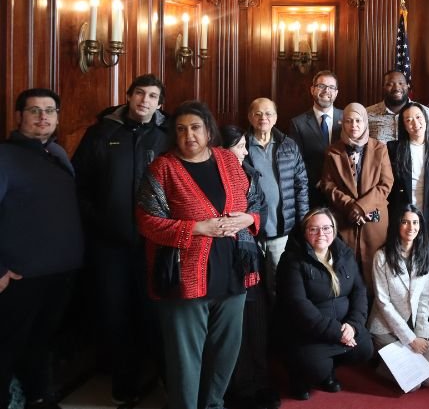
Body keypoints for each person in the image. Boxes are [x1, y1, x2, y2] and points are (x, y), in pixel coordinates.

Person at [136, 100, 261, 409]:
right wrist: (197, 228)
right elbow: (147, 223)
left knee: (225, 352)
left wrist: (251, 220)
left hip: (233, 271)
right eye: (180, 129)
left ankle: (213, 404)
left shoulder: (228, 160)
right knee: (185, 360)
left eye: (195, 128)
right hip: (184, 277)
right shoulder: (162, 169)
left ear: (208, 131)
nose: (188, 135)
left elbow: (253, 201)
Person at [72, 74, 169, 404]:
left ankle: (159, 377)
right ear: (128, 96)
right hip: (109, 245)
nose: (145, 100)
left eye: (152, 96)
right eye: (139, 93)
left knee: (153, 313)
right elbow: (79, 185)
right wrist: (99, 222)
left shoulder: (167, 135)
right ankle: (123, 381)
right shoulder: (101, 133)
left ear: (159, 104)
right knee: (115, 314)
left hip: (155, 243)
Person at [0, 89, 84, 409]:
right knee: (7, 347)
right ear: (19, 116)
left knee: (41, 344)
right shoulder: (5, 156)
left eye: (50, 110)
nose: (43, 117)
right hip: (20, 276)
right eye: (34, 111)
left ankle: (39, 399)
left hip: (60, 272)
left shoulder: (58, 154)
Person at [275, 207, 374, 399]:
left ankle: (328, 370)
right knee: (315, 369)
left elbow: (359, 290)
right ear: (305, 232)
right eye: (314, 229)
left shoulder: (344, 253)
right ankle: (299, 374)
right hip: (308, 332)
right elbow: (298, 306)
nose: (322, 234)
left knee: (365, 349)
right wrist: (337, 331)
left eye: (327, 228)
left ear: (334, 230)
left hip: (344, 327)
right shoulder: (291, 260)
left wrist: (353, 326)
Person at [219, 126, 279, 409]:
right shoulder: (213, 175)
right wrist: (236, 220)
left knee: (256, 321)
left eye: (245, 145)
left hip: (249, 256)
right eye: (239, 146)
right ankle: (237, 387)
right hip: (221, 259)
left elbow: (260, 210)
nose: (245, 151)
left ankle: (260, 381)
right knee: (232, 328)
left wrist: (246, 219)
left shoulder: (249, 173)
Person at [319, 102, 393, 289]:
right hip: (344, 219)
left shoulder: (379, 148)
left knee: (375, 275)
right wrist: (350, 206)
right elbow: (328, 185)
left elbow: (386, 184)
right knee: (346, 273)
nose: (354, 126)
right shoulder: (332, 151)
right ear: (342, 124)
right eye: (349, 121)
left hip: (374, 220)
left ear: (366, 122)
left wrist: (361, 207)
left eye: (358, 121)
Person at [242, 97, 309, 295]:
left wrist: (303, 222)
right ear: (250, 117)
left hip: (281, 230)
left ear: (276, 118)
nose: (264, 118)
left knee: (278, 286)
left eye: (268, 113)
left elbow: (301, 185)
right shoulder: (240, 147)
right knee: (250, 286)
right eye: (258, 113)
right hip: (249, 231)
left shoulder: (288, 145)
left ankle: (276, 324)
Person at [387, 102, 429, 303]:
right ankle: (408, 306)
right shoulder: (394, 148)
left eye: (418, 118)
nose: (415, 123)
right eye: (408, 120)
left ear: (425, 119)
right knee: (405, 262)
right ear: (403, 126)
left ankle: (428, 306)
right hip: (404, 214)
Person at [369, 205, 429, 391]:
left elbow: (424, 298)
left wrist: (421, 333)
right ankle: (380, 364)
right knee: (414, 384)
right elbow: (383, 304)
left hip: (413, 324)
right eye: (405, 222)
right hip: (385, 326)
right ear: (397, 226)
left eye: (415, 222)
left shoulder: (424, 254)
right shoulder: (381, 257)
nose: (411, 227)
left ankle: (395, 358)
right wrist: (410, 339)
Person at [288, 70, 344, 208]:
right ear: (312, 89)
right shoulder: (297, 123)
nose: (326, 91)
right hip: (312, 192)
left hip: (344, 191)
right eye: (321, 86)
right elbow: (297, 161)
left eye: (331, 87)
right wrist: (320, 181)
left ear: (336, 92)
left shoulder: (348, 119)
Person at [366, 70, 429, 144]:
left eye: (401, 83)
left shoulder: (425, 112)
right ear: (383, 87)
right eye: (390, 84)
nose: (396, 88)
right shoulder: (367, 114)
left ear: (407, 86)